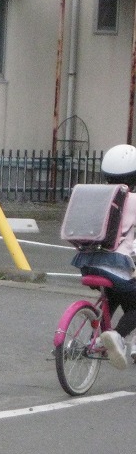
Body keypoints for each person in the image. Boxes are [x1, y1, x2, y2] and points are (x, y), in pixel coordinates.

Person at [72, 144, 136, 370]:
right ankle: (116, 336)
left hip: (87, 265)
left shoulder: (96, 197)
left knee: (116, 294)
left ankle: (96, 339)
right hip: (114, 267)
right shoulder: (133, 200)